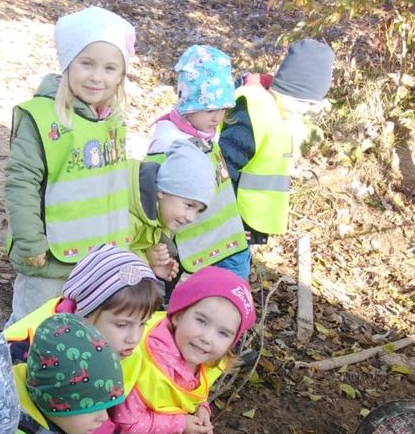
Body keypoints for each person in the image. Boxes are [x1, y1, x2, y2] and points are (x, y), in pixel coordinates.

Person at [5, 5, 136, 323]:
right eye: (86, 63)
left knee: (79, 327)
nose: (96, 77)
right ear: (67, 63)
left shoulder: (112, 120)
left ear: (120, 75)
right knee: (31, 326)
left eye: (109, 68)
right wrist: (30, 240)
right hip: (49, 258)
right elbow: (21, 181)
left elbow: (114, 186)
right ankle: (8, 370)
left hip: (97, 258)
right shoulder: (42, 116)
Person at [3, 244, 162, 434]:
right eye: (122, 325)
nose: (135, 337)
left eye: (143, 323)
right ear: (86, 313)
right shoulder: (35, 350)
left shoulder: (123, 346)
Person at [108, 267, 256, 434]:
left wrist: (202, 408)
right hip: (106, 425)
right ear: (178, 315)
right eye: (201, 321)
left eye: (223, 333)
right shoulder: (144, 354)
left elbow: (193, 391)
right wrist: (180, 425)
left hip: (150, 418)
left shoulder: (209, 359)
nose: (207, 338)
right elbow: (123, 420)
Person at [218, 39, 334, 266]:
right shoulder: (254, 109)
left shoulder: (281, 114)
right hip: (231, 223)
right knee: (230, 279)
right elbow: (224, 167)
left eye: (312, 106)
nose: (305, 111)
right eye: (304, 103)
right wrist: (225, 222)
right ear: (290, 88)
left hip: (247, 222)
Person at [148, 45, 251, 280]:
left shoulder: (206, 132)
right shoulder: (168, 140)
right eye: (208, 110)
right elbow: (155, 200)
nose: (216, 117)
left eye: (222, 109)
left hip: (228, 239)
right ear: (188, 106)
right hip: (195, 250)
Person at [128, 141, 217, 289]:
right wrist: (147, 260)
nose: (191, 218)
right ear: (162, 191)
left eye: (198, 211)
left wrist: (154, 266)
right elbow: (111, 261)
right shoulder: (130, 217)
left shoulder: (160, 217)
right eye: (189, 205)